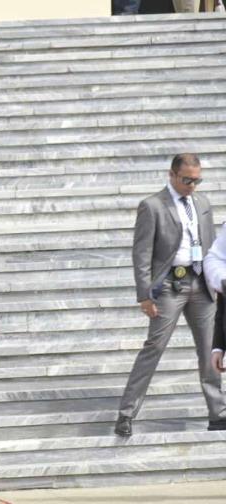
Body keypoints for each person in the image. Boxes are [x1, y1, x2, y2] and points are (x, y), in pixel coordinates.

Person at [115, 153, 226, 437]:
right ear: (172, 175)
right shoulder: (152, 206)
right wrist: (145, 295)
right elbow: (141, 254)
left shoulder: (202, 203)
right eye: (187, 179)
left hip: (201, 284)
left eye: (197, 180)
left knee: (209, 351)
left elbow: (212, 246)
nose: (192, 185)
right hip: (168, 286)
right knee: (154, 348)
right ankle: (127, 413)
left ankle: (218, 413)